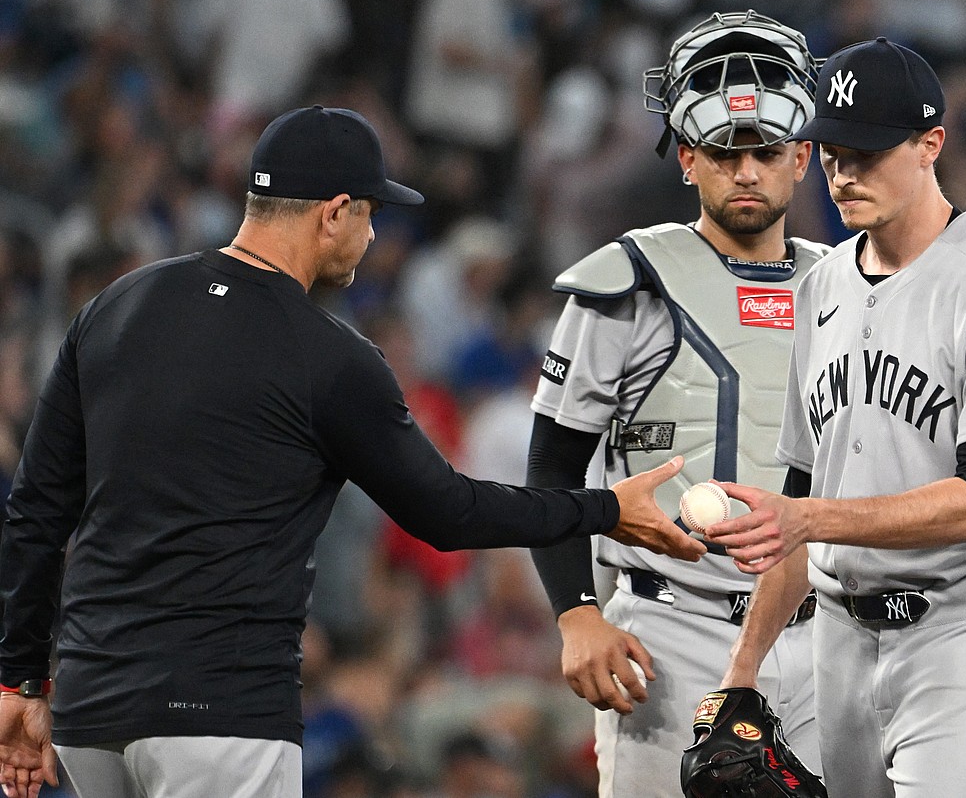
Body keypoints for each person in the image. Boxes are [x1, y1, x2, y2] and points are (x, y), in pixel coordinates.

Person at [0, 105, 705, 798]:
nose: (371, 237)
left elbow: (36, 509)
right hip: (220, 718)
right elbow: (448, 510)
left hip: (91, 710)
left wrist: (19, 678)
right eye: (368, 214)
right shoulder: (329, 355)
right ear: (333, 211)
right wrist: (604, 508)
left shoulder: (115, 308)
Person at [704, 37, 966, 798]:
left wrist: (807, 519)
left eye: (866, 153)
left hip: (961, 629)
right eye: (832, 153)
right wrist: (740, 675)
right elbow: (799, 500)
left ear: (931, 144)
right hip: (839, 636)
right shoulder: (821, 286)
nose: (843, 174)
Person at [525, 11, 827, 796]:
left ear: (803, 157)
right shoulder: (625, 282)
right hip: (669, 625)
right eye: (726, 153)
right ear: (688, 159)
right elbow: (553, 462)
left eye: (766, 152)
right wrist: (577, 613)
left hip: (826, 634)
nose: (748, 172)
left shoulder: (851, 289)